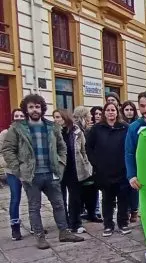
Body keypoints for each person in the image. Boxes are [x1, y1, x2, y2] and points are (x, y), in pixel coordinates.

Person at [1, 94, 84, 249]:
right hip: (31, 176)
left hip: (51, 173)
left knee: (59, 204)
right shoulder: (17, 129)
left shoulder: (52, 127)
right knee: (34, 207)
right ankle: (40, 237)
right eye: (31, 107)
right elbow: (7, 150)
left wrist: (61, 164)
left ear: (42, 108)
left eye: (37, 107)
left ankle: (64, 232)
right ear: (26, 109)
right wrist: (18, 169)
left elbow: (62, 147)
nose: (34, 110)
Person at [88, 103, 131, 236]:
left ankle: (123, 223)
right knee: (107, 199)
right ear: (104, 113)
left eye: (113, 110)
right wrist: (96, 163)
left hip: (122, 169)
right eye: (108, 110)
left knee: (123, 199)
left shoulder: (125, 127)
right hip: (104, 171)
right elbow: (89, 147)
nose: (111, 112)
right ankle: (108, 225)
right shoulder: (96, 129)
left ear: (117, 112)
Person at [54, 109, 93, 234]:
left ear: (65, 118)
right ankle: (64, 223)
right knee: (60, 198)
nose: (56, 120)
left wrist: (86, 165)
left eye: (58, 117)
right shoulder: (53, 132)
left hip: (74, 168)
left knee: (75, 197)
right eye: (54, 117)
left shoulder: (76, 131)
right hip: (59, 169)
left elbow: (83, 150)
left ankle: (75, 223)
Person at [1, 109, 25, 240]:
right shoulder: (5, 133)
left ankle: (35, 225)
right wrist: (9, 164)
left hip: (27, 171)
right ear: (12, 118)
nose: (19, 118)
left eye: (21, 115)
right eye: (16, 116)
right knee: (15, 198)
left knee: (34, 199)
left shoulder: (29, 132)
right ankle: (15, 228)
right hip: (12, 171)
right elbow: (1, 152)